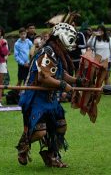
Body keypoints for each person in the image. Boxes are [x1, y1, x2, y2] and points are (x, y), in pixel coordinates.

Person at [16, 22, 83, 168]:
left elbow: (59, 73)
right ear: (61, 38)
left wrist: (76, 80)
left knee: (61, 128)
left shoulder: (57, 52)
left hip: (50, 98)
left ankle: (51, 155)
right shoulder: (48, 52)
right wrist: (64, 86)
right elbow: (44, 78)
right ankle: (23, 144)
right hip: (36, 98)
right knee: (40, 133)